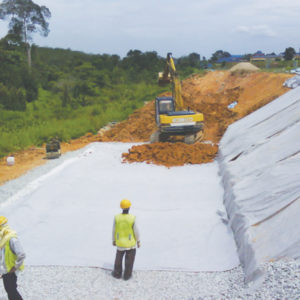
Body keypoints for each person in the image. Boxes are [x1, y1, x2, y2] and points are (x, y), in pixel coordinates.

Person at [112, 199, 140, 280]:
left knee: (118, 259)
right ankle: (127, 275)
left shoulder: (117, 217)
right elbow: (136, 231)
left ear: (121, 207)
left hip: (120, 242)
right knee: (129, 260)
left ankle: (117, 273)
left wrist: (114, 240)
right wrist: (138, 241)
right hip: (130, 243)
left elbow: (114, 229)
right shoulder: (132, 218)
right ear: (129, 207)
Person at [0, 216, 25, 300]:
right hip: (6, 271)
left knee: (12, 292)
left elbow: (21, 254)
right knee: (10, 292)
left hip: (11, 270)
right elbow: (3, 258)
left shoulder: (12, 239)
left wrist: (15, 267)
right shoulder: (4, 240)